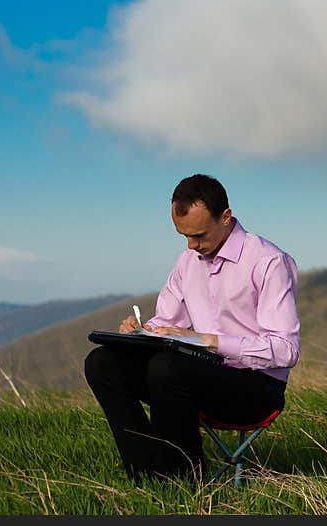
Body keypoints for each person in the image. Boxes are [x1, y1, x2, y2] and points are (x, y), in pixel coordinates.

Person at [84, 174, 300, 485]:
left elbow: (286, 350)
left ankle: (184, 480)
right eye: (183, 236)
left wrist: (209, 341)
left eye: (199, 235)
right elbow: (166, 322)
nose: (192, 246)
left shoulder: (269, 262)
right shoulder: (189, 260)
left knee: (168, 368)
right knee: (102, 362)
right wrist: (141, 331)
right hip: (194, 374)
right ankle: (150, 477)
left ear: (226, 217)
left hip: (256, 387)